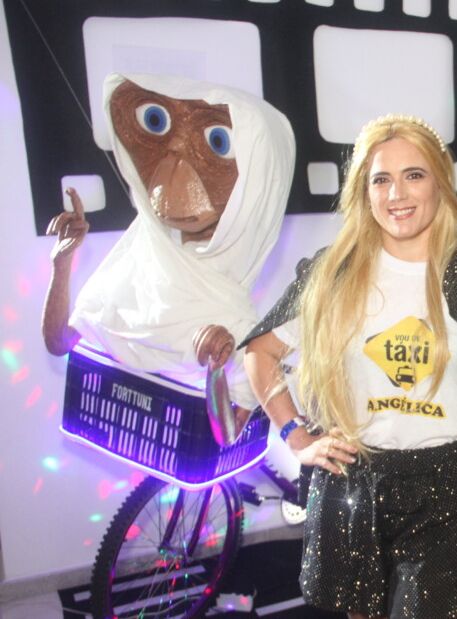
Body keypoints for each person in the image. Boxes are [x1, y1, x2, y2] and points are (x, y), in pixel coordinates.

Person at [244, 114, 457, 619]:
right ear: (363, 192)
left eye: (414, 175)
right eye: (381, 180)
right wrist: (296, 437)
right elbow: (260, 351)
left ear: (441, 181)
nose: (397, 194)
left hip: (451, 492)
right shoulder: (334, 271)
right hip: (353, 485)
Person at [42, 73, 295, 426]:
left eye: (217, 143)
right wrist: (62, 262)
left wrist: (216, 372)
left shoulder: (238, 325)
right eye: (157, 122)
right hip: (118, 436)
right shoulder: (138, 263)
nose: (174, 175)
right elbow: (59, 342)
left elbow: (228, 434)